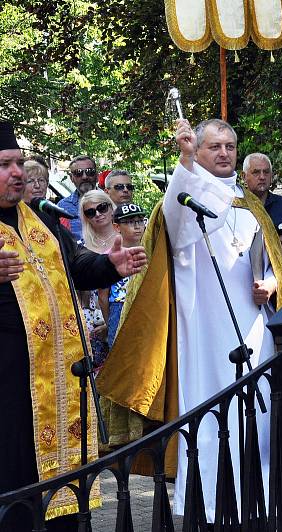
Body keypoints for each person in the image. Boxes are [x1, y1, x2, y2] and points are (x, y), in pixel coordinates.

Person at [97, 118, 282, 523]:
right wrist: (185, 160)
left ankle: (258, 505)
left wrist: (271, 285)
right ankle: (207, 507)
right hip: (201, 329)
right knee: (208, 419)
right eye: (214, 147)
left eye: (229, 147)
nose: (223, 153)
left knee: (253, 419)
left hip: (253, 328)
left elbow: (271, 262)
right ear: (199, 151)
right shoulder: (186, 196)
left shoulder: (252, 204)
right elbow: (175, 214)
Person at [0, 122, 147, 531]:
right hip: (9, 386)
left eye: (17, 163)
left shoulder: (41, 221)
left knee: (63, 494)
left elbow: (76, 266)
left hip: (58, 380)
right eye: (5, 165)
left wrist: (108, 266)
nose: (17, 173)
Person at [78, 190, 118, 369]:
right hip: (95, 320)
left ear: (111, 207)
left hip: (127, 311)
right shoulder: (81, 247)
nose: (98, 214)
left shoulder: (130, 236)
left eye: (102, 207)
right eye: (90, 212)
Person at [106, 202, 147, 346]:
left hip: (144, 304)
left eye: (140, 220)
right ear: (117, 226)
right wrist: (108, 321)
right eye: (130, 222)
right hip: (119, 306)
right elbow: (102, 295)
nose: (137, 226)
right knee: (119, 350)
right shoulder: (110, 255)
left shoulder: (150, 251)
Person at [243, 152, 282, 240]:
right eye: (256, 172)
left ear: (271, 176)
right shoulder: (237, 207)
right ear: (244, 176)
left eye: (266, 172)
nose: (262, 177)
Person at [57, 155, 97, 238]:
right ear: (71, 178)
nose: (85, 177)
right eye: (78, 173)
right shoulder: (63, 207)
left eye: (89, 171)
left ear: (96, 175)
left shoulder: (109, 201)